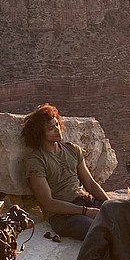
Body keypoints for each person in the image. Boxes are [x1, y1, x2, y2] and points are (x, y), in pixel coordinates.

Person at [20, 103, 108, 240]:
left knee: (125, 217)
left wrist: (109, 205)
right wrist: (86, 212)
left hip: (85, 202)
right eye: (51, 128)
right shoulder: (36, 161)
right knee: (100, 232)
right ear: (40, 134)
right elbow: (48, 202)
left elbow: (90, 184)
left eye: (57, 125)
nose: (57, 130)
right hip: (64, 216)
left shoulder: (72, 150)